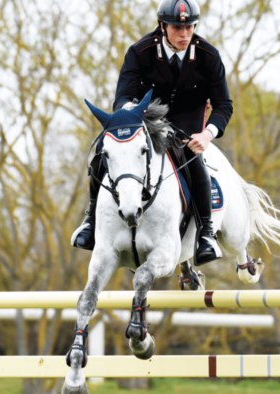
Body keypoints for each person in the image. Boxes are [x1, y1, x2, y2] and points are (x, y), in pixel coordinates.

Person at [71, 0, 233, 265]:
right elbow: (123, 95)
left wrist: (208, 134)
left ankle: (206, 233)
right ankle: (90, 220)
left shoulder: (209, 56)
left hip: (187, 129)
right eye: (177, 28)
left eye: (190, 27)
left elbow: (224, 105)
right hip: (145, 123)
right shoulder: (140, 51)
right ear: (162, 26)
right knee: (104, 149)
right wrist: (132, 112)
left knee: (195, 164)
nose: (185, 34)